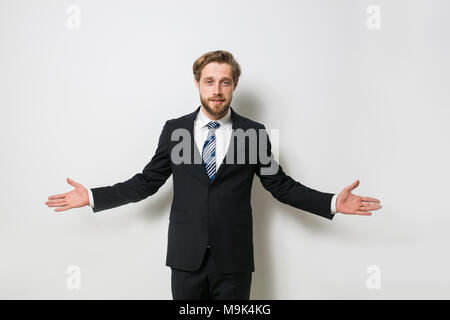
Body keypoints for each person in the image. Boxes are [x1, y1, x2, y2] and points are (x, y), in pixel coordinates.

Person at [45, 50, 382, 300]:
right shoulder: (176, 130)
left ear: (234, 85)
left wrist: (333, 203)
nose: (217, 90)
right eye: (209, 81)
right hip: (186, 255)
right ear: (197, 84)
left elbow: (280, 186)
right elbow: (147, 182)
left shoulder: (253, 133)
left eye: (224, 82)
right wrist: (92, 196)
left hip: (233, 258)